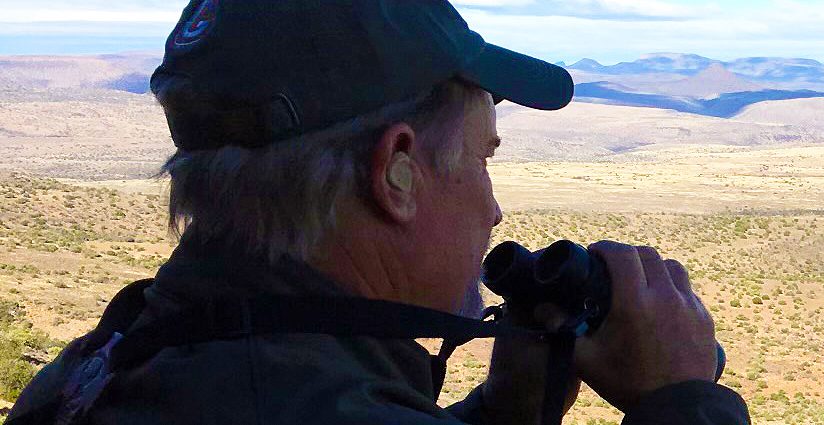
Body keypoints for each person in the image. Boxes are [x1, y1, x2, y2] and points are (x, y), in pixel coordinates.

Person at [2, 0, 747, 424]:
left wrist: (505, 412)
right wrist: (680, 400)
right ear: (395, 173)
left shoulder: (115, 358)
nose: (494, 211)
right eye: (484, 159)